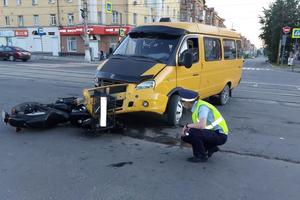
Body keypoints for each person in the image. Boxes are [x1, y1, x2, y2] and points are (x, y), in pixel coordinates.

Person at [178, 89, 229, 163]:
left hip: (220, 135)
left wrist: (187, 126)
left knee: (193, 132)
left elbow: (201, 125)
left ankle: (201, 156)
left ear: (188, 102)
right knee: (186, 136)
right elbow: (199, 127)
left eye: (182, 101)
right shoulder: (196, 107)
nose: (182, 104)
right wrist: (187, 129)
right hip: (213, 133)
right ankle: (210, 147)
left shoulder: (202, 107)